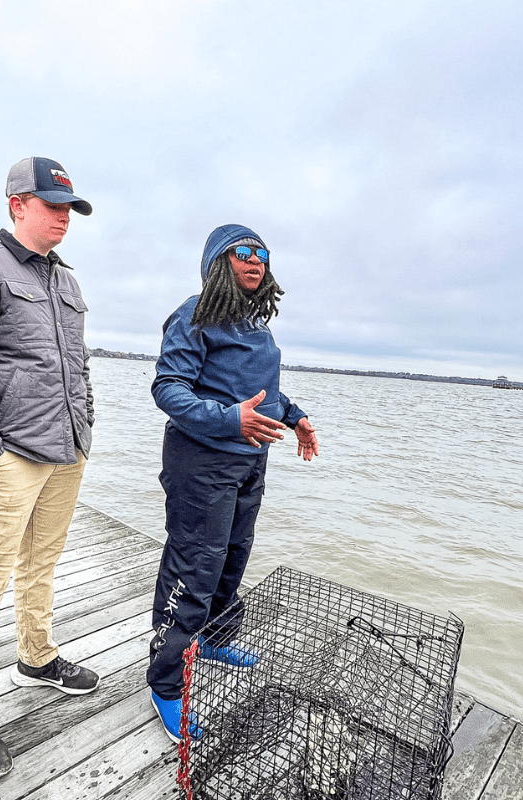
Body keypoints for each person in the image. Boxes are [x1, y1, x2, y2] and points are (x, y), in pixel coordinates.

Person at [0, 156, 99, 781]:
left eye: (69, 208)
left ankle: (37, 657)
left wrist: (84, 424)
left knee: (43, 563)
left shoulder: (68, 281)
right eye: (52, 204)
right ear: (17, 204)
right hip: (7, 456)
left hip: (67, 452)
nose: (64, 216)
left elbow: (77, 365)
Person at [147, 224, 320, 741]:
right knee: (195, 563)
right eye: (243, 253)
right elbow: (168, 388)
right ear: (216, 263)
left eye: (263, 254)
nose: (256, 261)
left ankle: (219, 636)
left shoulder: (256, 326)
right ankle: (165, 684)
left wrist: (295, 417)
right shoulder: (194, 315)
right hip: (200, 460)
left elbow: (262, 394)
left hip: (250, 460)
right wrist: (229, 421)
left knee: (234, 552)